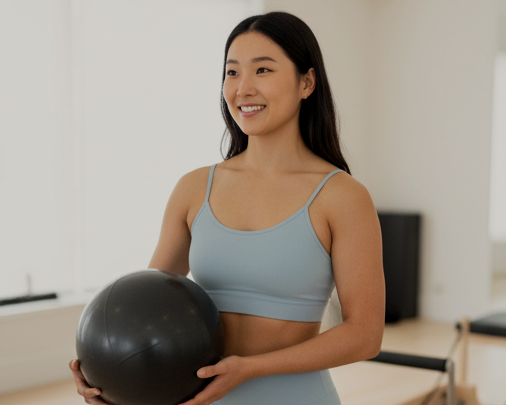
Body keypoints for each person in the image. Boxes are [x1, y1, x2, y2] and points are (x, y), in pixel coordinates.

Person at [69, 10, 385, 405]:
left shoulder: (342, 197)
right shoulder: (193, 188)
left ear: (307, 82)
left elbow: (365, 336)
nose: (243, 88)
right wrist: (110, 374)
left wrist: (250, 368)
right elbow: (145, 306)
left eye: (263, 70)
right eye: (232, 73)